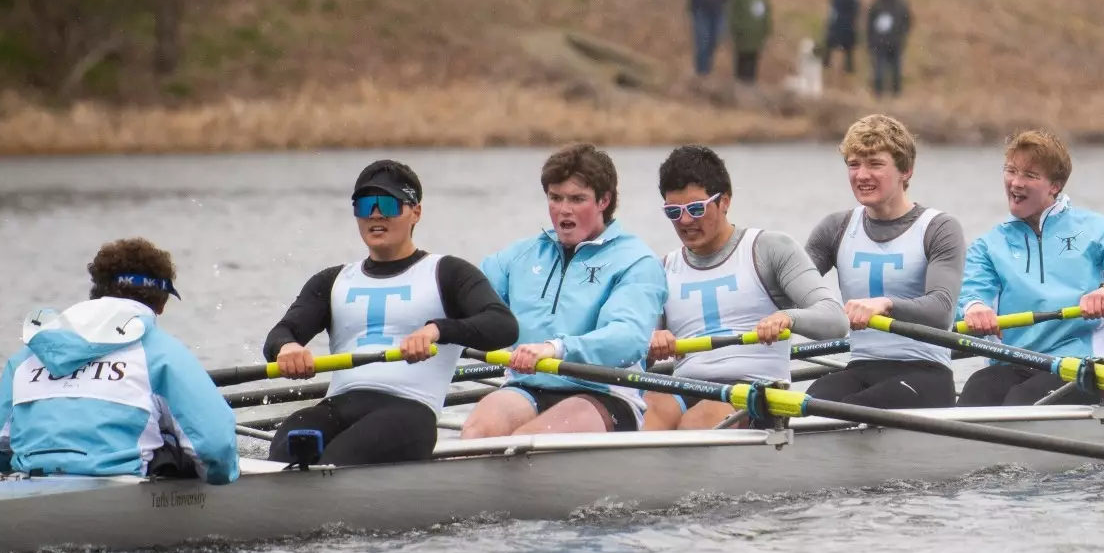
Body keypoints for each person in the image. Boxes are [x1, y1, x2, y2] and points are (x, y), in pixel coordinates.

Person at [264, 161, 520, 466]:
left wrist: (436, 330)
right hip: (338, 404)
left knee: (337, 461)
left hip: (409, 411)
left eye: (387, 203)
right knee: (282, 450)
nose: (375, 214)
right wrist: (288, 348)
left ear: (416, 212)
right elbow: (280, 334)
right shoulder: (331, 280)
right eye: (364, 205)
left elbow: (503, 325)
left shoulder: (448, 272)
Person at [0, 238, 239, 484]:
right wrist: (218, 478)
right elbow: (216, 447)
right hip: (124, 493)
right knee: (175, 441)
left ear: (97, 289)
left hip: (31, 481)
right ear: (161, 303)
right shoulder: (163, 353)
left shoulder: (30, 351)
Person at [461, 144, 666, 437]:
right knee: (476, 434)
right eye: (555, 198)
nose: (563, 210)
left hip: (602, 392)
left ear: (604, 200)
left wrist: (556, 348)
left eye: (577, 199)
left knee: (525, 442)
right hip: (526, 386)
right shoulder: (520, 256)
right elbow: (463, 302)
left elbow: (628, 338)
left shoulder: (635, 261)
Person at [957, 130, 1104, 406]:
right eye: (1011, 170)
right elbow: (967, 295)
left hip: (1088, 368)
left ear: (1055, 186)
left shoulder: (1100, 233)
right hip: (1016, 363)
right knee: (977, 391)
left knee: (1021, 401)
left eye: (1030, 175)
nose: (1016, 182)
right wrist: (974, 307)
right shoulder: (988, 246)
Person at [644, 146, 847, 430]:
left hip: (755, 393)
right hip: (685, 387)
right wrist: (650, 345)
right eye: (673, 212)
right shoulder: (661, 269)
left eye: (695, 208)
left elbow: (836, 319)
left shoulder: (770, 250)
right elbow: (634, 358)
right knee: (651, 406)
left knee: (698, 419)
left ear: (724, 201)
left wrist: (788, 318)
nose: (685, 221)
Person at [803, 114, 969, 409]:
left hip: (925, 374)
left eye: (875, 164)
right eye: (854, 164)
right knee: (796, 407)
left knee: (847, 408)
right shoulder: (835, 228)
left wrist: (886, 304)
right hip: (861, 367)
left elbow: (942, 311)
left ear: (906, 170)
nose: (862, 175)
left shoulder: (939, 228)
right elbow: (789, 291)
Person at [865, 0, 912, 97]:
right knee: (879, 71)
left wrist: (901, 35)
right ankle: (878, 94)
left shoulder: (900, 3)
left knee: (896, 71)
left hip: (895, 42)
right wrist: (871, 41)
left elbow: (907, 21)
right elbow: (869, 24)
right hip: (880, 43)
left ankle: (897, 95)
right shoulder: (876, 4)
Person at [729, 0, 773, 83]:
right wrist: (734, 28)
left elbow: (766, 14)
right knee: (742, 61)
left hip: (756, 36)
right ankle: (740, 86)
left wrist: (766, 30)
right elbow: (733, 10)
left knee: (752, 63)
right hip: (743, 34)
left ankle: (748, 87)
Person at [823, 0, 860, 75]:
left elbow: (854, 9)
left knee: (846, 49)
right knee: (833, 46)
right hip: (841, 24)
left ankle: (847, 70)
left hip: (844, 24)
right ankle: (829, 65)